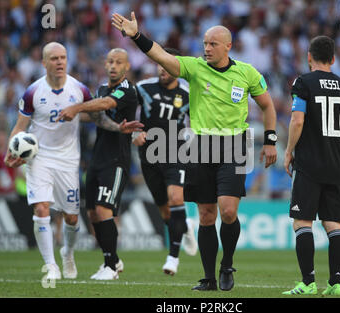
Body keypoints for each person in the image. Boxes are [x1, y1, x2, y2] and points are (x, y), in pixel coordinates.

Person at [112, 12, 277, 291]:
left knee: (227, 211)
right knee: (206, 215)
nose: (207, 48)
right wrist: (137, 36)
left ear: (228, 46)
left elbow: (268, 107)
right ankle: (209, 278)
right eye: (205, 43)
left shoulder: (247, 73)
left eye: (213, 44)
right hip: (201, 147)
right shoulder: (195, 68)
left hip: (234, 146)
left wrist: (271, 141)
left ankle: (227, 265)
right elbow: (162, 57)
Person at [4, 42, 139, 281]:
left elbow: (100, 113)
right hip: (42, 157)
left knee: (76, 217)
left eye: (63, 57)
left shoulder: (85, 90)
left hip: (82, 159)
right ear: (44, 62)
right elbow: (21, 125)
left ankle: (78, 255)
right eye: (54, 58)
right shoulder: (33, 91)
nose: (59, 62)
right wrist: (12, 148)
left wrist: (113, 125)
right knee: (46, 208)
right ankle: (53, 265)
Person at [282, 36, 340, 295]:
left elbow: (297, 120)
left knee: (302, 222)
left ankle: (308, 282)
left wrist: (289, 150)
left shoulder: (303, 82)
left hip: (309, 164)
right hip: (335, 165)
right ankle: (336, 283)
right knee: (334, 224)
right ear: (334, 59)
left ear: (309, 56)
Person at [57, 48, 143, 280]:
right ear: (105, 65)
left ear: (126, 67)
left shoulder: (127, 89)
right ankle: (113, 260)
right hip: (97, 157)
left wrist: (77, 107)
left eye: (119, 63)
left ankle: (110, 266)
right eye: (110, 61)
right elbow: (97, 116)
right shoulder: (102, 88)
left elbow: (105, 104)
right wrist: (67, 114)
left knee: (105, 209)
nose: (113, 66)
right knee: (93, 213)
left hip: (116, 159)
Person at [133, 47, 197, 276]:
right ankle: (185, 225)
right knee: (166, 212)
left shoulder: (189, 93)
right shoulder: (144, 88)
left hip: (176, 152)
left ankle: (173, 259)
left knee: (175, 197)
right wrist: (133, 133)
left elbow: (199, 120)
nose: (162, 69)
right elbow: (126, 110)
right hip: (149, 156)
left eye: (166, 65)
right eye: (159, 64)